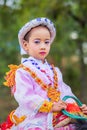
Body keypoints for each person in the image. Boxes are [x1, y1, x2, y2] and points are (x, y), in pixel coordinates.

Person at [1, 17, 87, 130]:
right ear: (26, 45)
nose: (43, 46)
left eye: (47, 42)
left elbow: (65, 92)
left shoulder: (55, 71)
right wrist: (50, 106)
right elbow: (25, 97)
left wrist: (77, 107)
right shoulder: (23, 71)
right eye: (37, 42)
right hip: (35, 118)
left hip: (57, 116)